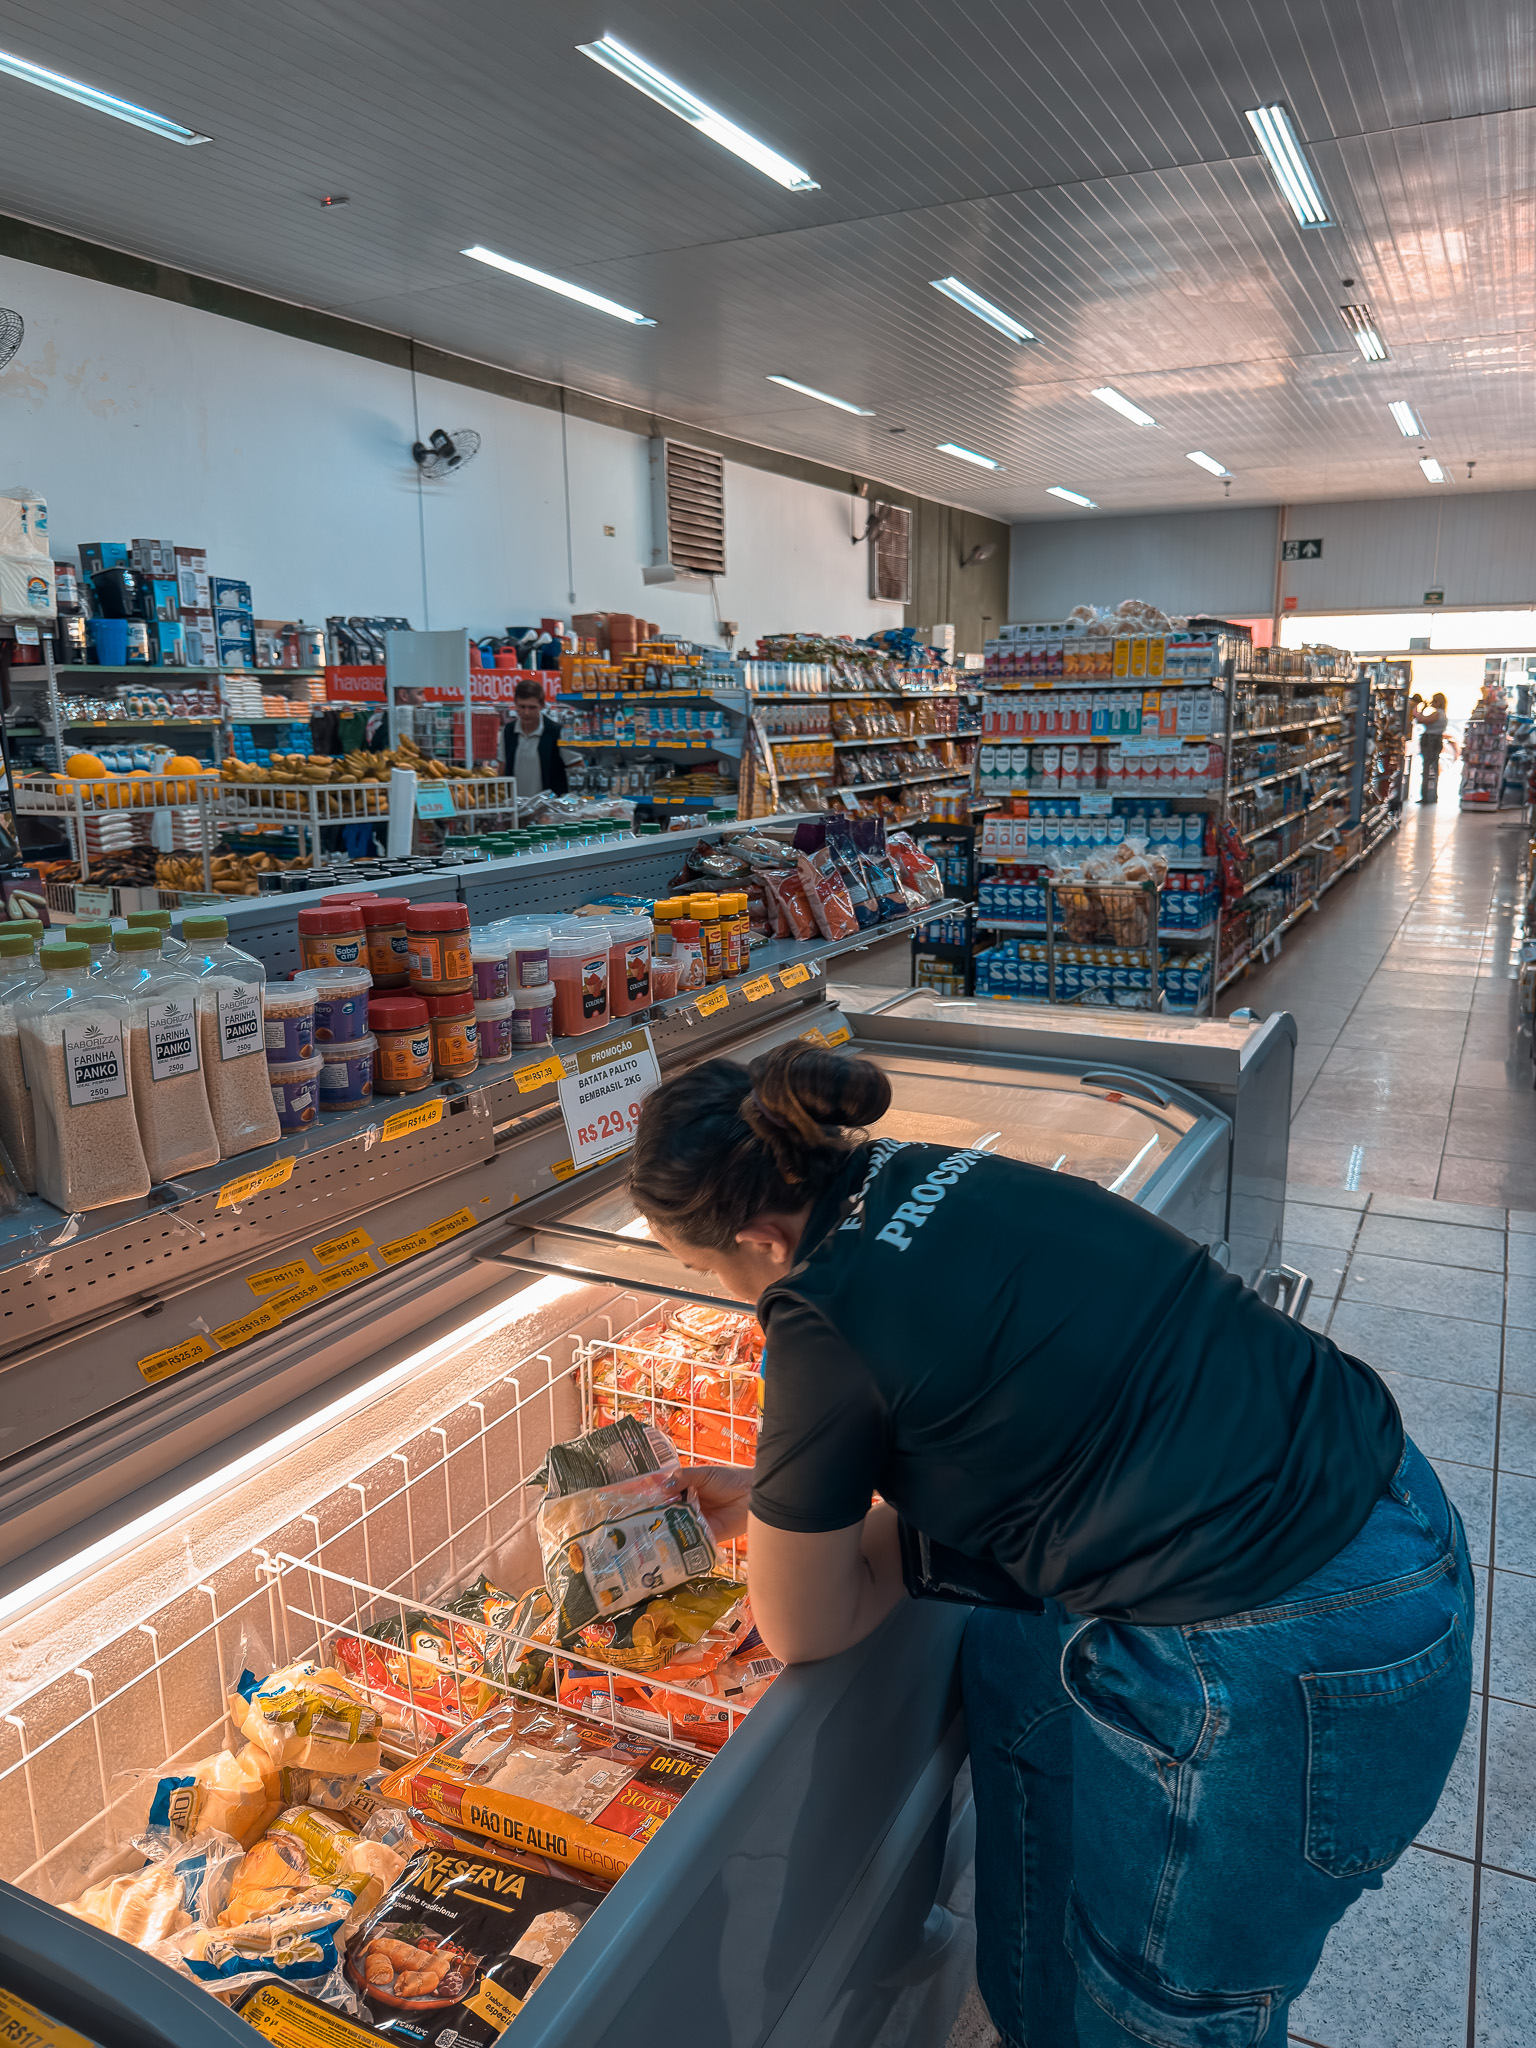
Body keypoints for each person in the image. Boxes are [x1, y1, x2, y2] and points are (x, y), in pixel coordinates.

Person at [628, 1042, 1472, 2048]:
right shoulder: (930, 1167)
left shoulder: (819, 1317)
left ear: (760, 1239)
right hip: (1393, 1514)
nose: (727, 1291)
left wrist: (802, 1527)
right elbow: (1020, 1389)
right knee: (1015, 1670)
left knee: (1160, 2015)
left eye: (705, 1270)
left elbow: (803, 1623)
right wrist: (777, 1500)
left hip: (1270, 1652)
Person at [502, 677, 570, 800]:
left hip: (549, 807)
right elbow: (502, 766)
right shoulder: (509, 731)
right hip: (515, 805)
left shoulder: (556, 732)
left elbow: (576, 766)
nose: (526, 712)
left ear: (542, 705)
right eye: (522, 707)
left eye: (532, 707)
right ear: (515, 704)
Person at [1412, 691, 1451, 802]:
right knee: (1432, 768)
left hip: (1430, 741)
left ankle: (1427, 796)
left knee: (1427, 768)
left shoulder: (1438, 713)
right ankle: (1431, 795)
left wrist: (1419, 708)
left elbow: (1421, 719)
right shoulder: (1442, 713)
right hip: (1435, 741)